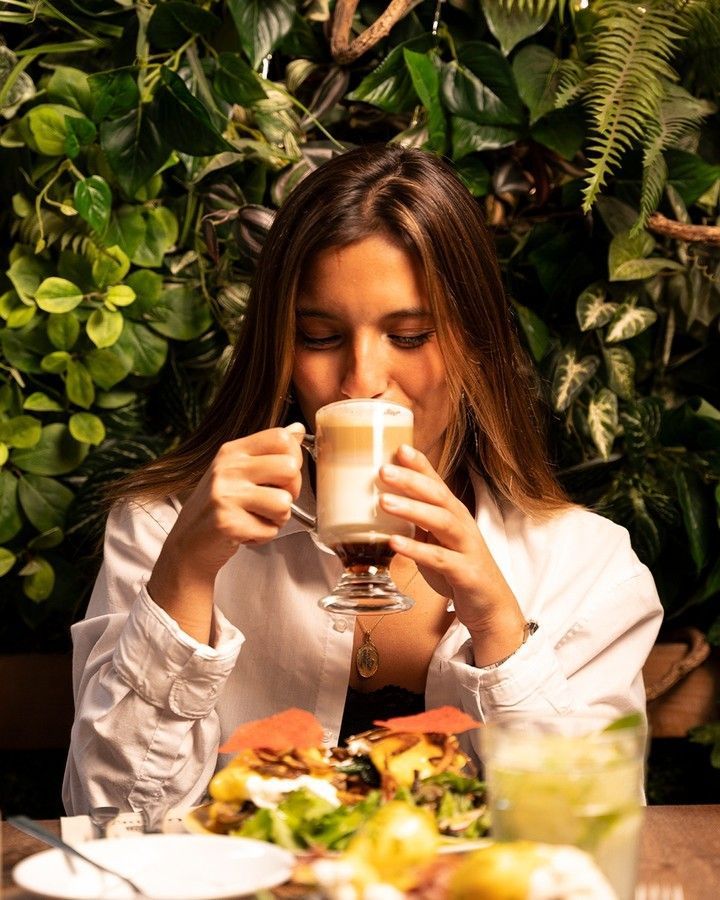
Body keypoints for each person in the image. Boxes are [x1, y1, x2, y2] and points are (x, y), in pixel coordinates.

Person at [63, 143, 663, 817]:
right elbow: (111, 823)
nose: (362, 383)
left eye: (409, 337)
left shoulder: (587, 568)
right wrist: (183, 577)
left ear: (476, 343)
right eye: (320, 337)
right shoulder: (163, 530)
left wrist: (498, 623)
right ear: (281, 350)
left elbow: (586, 840)